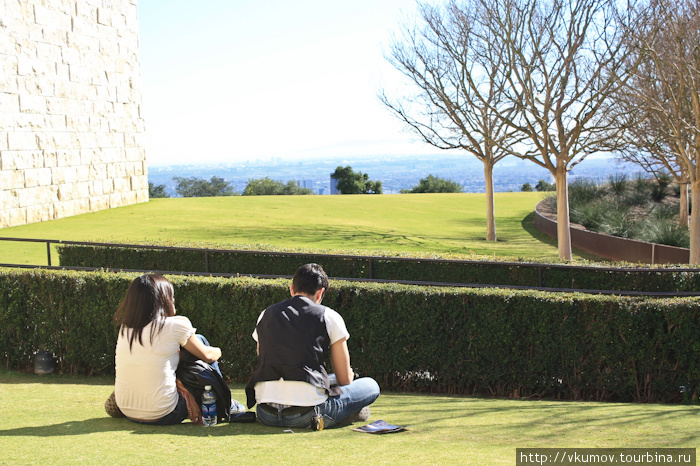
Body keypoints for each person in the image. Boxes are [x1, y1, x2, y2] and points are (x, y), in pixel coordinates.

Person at [245, 263, 380, 430]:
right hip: (306, 414)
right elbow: (345, 379)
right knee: (370, 385)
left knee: (329, 379)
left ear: (291, 289)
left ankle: (346, 412)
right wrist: (347, 375)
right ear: (320, 293)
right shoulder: (329, 316)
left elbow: (264, 360)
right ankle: (348, 413)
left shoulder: (265, 314)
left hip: (266, 414)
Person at [112, 273, 223, 425]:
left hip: (128, 410)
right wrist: (219, 350)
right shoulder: (175, 325)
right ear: (162, 299)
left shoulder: (125, 329)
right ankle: (224, 403)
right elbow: (208, 356)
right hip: (165, 412)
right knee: (200, 340)